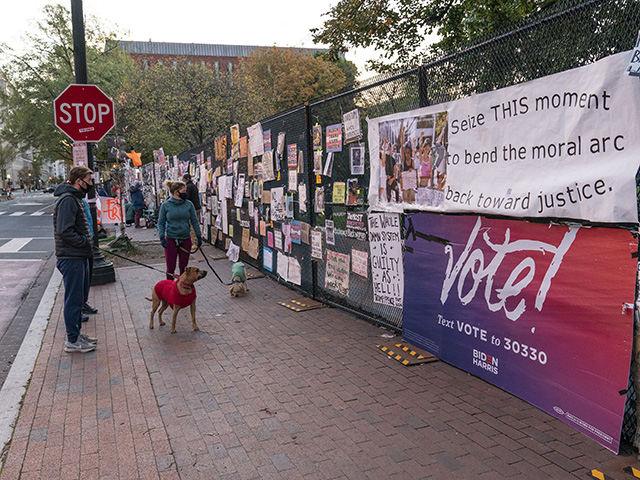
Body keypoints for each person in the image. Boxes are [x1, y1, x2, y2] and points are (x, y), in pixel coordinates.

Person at [53, 166, 97, 353]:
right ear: (79, 181)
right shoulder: (68, 200)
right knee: (73, 299)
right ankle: (72, 340)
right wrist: (83, 242)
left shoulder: (74, 199)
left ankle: (76, 334)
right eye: (89, 179)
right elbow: (65, 230)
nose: (91, 183)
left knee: (78, 299)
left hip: (78, 255)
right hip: (72, 257)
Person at [158, 180, 202, 281]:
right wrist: (161, 236)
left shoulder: (188, 204)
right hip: (171, 239)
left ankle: (182, 288)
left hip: (185, 238)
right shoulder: (165, 205)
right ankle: (169, 287)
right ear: (177, 192)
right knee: (170, 267)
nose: (186, 193)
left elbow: (194, 221)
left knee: (184, 268)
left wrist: (198, 236)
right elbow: (160, 222)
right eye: (184, 191)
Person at [182, 174, 201, 245]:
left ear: (186, 179)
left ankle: (195, 243)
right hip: (197, 207)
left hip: (193, 208)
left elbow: (187, 198)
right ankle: (198, 242)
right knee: (196, 224)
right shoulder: (194, 186)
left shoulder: (188, 187)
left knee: (192, 226)